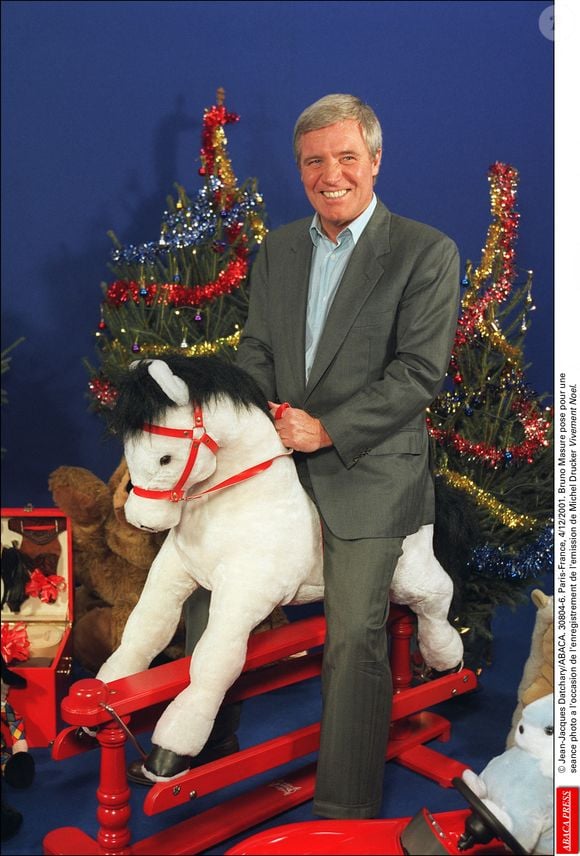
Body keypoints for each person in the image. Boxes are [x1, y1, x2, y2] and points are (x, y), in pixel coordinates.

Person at [234, 93, 461, 819]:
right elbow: (258, 349)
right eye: (313, 161)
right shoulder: (279, 249)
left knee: (354, 631)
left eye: (345, 158)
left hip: (371, 467)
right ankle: (209, 764)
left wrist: (326, 430)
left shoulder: (426, 252)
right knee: (210, 598)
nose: (330, 174)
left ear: (375, 161)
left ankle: (343, 811)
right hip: (280, 461)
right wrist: (254, 412)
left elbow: (418, 374)